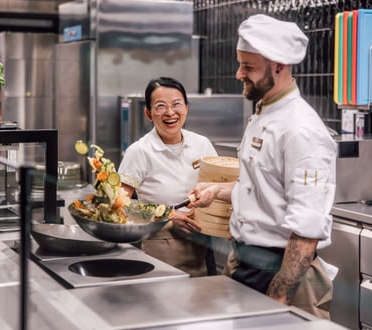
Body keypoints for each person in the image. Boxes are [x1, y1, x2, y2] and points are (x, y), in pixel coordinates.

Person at [189, 14, 338, 318]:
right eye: (240, 63)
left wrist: (278, 296)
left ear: (279, 66)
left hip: (284, 275)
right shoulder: (263, 114)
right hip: (246, 263)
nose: (238, 73)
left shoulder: (301, 130)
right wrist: (217, 189)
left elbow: (306, 232)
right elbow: (262, 188)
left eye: (248, 67)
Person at [118, 76, 218, 277]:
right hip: (161, 246)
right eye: (160, 106)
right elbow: (118, 206)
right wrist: (169, 218)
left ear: (186, 108)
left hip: (203, 243)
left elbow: (218, 188)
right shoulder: (140, 151)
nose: (170, 112)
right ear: (148, 113)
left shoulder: (202, 144)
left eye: (176, 104)